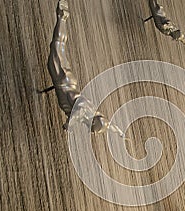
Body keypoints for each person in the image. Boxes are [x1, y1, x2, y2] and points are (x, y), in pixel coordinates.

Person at [39, 0, 127, 139]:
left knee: (59, 47)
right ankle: (62, 17)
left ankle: (62, 19)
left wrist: (120, 132)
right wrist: (69, 124)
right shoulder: (86, 111)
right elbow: (78, 109)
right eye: (92, 128)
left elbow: (109, 124)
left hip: (68, 81)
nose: (90, 130)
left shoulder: (94, 112)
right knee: (57, 45)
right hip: (62, 79)